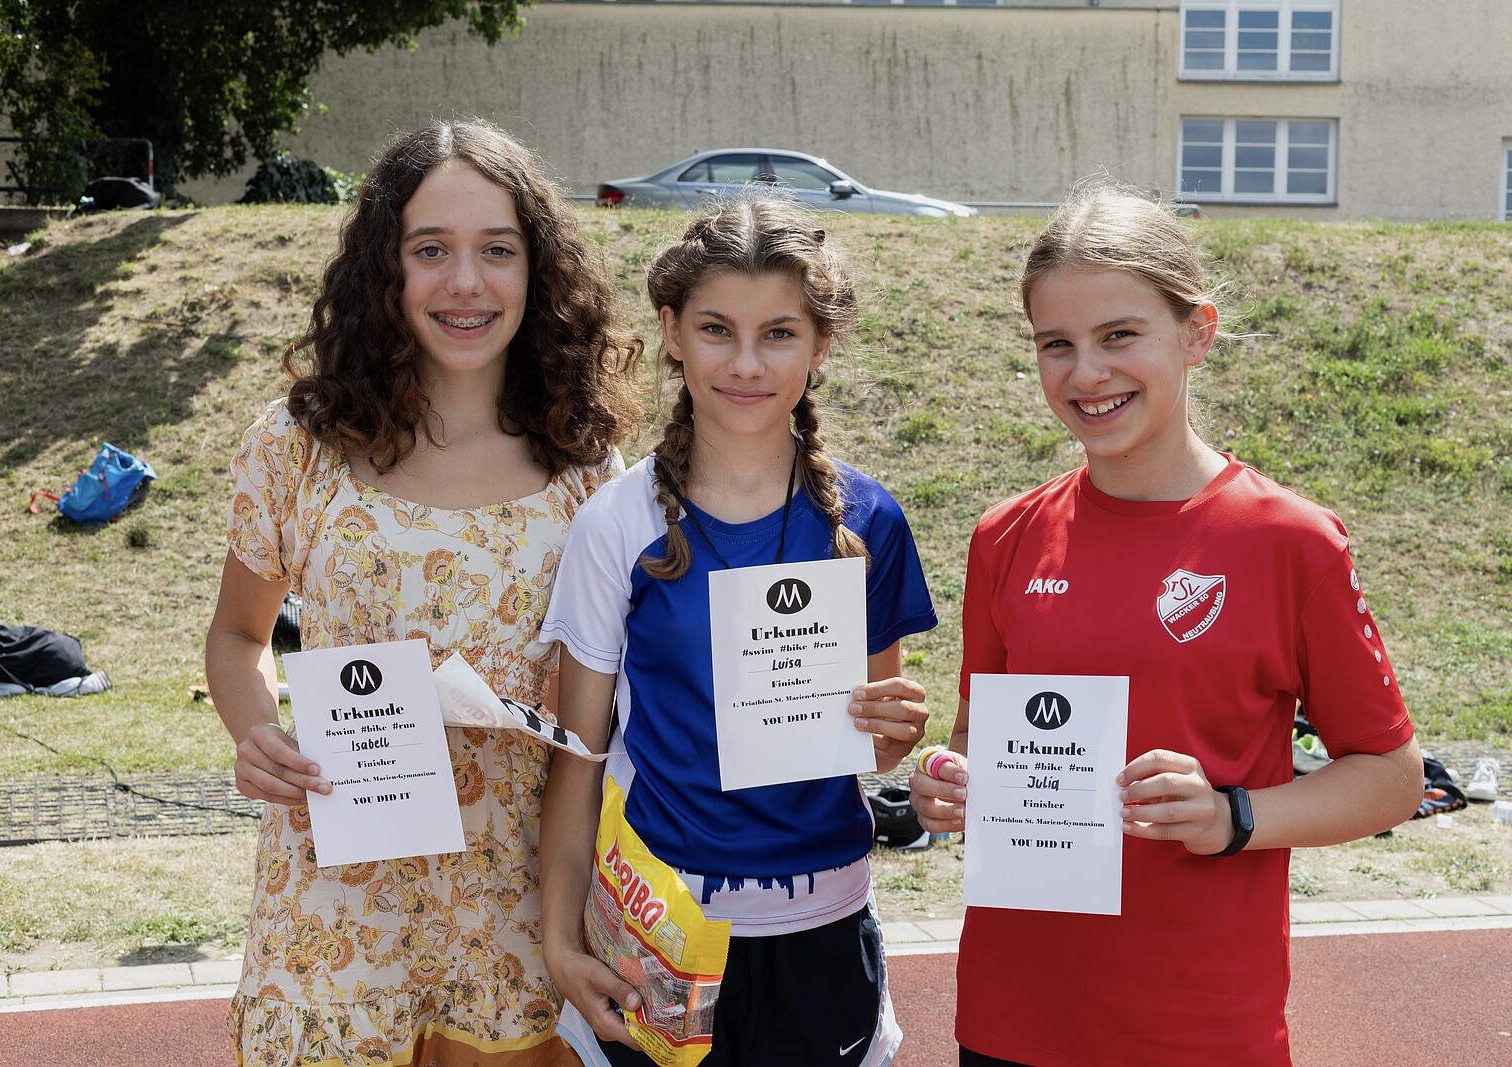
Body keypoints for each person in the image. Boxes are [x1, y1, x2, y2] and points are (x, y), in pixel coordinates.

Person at [909, 187, 1423, 1067]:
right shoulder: (1006, 536)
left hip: (1198, 1028)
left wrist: (1232, 814)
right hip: (1011, 1017)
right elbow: (974, 742)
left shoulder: (1290, 540)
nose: (1086, 373)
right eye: (1056, 344)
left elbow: (1392, 777)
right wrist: (947, 784)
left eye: (1119, 335)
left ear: (1197, 333)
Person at [204, 118, 643, 1066]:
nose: (465, 282)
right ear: (385, 267)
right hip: (334, 906)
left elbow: (606, 704)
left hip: (517, 909)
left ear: (538, 268)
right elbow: (238, 636)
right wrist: (257, 733)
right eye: (430, 249)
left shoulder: (588, 469)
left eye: (498, 249)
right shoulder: (296, 445)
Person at [537, 194, 938, 1067]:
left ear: (820, 345)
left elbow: (873, 749)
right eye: (717, 329)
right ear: (672, 332)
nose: (747, 363)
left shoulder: (869, 519)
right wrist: (560, 939)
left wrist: (894, 731)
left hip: (823, 928)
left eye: (779, 334)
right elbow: (579, 755)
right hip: (661, 931)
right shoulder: (618, 523)